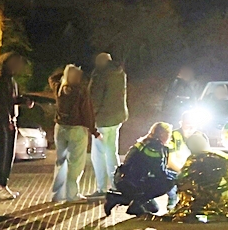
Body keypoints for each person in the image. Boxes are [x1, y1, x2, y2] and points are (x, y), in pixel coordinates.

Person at [104, 122, 177, 217]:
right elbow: (158, 173)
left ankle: (116, 198)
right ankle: (136, 204)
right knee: (169, 182)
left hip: (125, 179)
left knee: (154, 208)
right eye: (169, 134)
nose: (170, 137)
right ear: (163, 134)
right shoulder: (154, 148)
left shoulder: (146, 142)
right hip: (134, 183)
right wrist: (176, 177)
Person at [51, 64, 100, 203]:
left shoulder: (59, 88)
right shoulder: (81, 91)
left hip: (60, 128)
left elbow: (52, 77)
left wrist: (65, 70)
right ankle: (72, 195)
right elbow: (87, 112)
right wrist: (93, 130)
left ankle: (57, 195)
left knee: (61, 162)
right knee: (75, 164)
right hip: (77, 129)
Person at [0, 52, 32, 200]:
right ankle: (0, 185)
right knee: (5, 153)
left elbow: (10, 99)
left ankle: (2, 185)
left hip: (8, 121)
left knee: (8, 154)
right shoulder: (0, 80)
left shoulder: (9, 80)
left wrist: (23, 101)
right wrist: (8, 121)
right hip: (2, 123)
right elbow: (0, 103)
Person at [88, 52, 129, 194]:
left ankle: (101, 188)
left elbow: (95, 98)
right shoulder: (120, 73)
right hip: (117, 118)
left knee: (98, 155)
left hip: (102, 120)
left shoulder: (100, 74)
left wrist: (90, 115)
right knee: (112, 153)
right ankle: (117, 185)